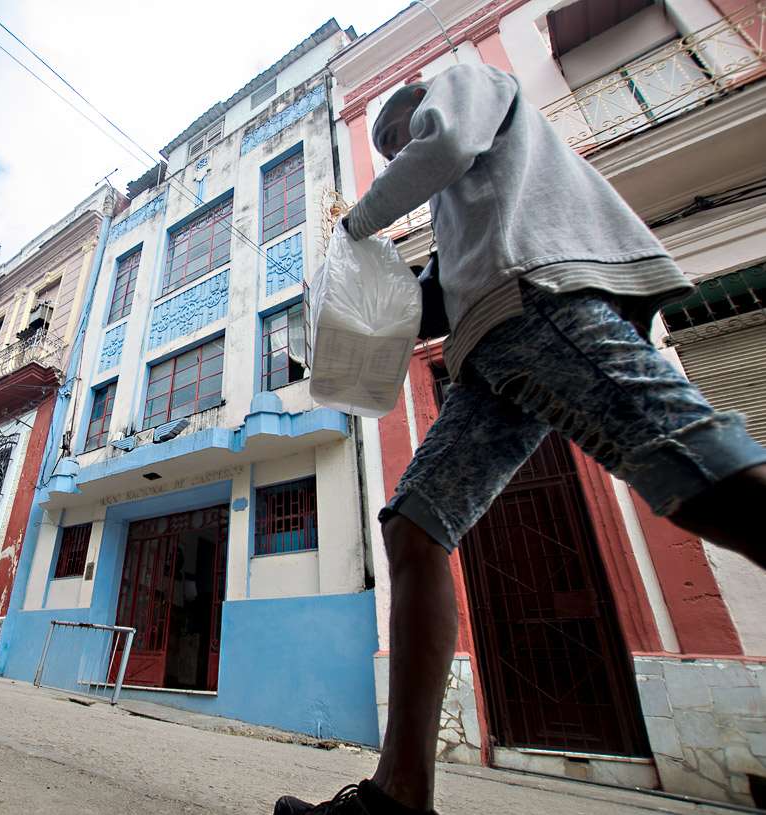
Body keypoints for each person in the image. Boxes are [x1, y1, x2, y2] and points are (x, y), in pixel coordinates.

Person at [276, 63, 766, 815]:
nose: (391, 148)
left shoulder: (465, 89)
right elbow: (429, 304)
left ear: (415, 110)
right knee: (414, 527)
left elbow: (438, 146)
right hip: (489, 359)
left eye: (392, 136)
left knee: (696, 467)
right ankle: (397, 797)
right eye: (384, 144)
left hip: (543, 302)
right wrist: (331, 336)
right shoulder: (461, 207)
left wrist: (354, 223)